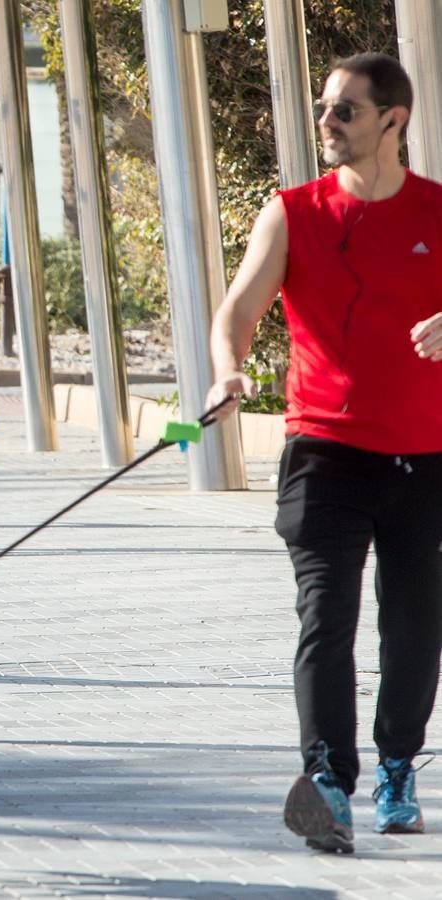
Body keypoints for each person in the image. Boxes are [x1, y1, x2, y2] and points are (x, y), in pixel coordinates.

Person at [207, 52, 442, 854]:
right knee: (325, 619)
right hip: (324, 450)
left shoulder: (436, 212)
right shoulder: (292, 212)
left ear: (392, 120)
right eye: (324, 108)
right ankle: (328, 781)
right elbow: (238, 308)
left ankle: (399, 767)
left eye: (345, 110)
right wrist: (228, 369)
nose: (327, 123)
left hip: (426, 455)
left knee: (415, 625)